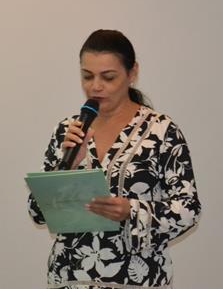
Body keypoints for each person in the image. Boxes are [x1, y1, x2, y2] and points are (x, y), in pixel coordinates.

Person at [28, 29, 201, 288]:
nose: (95, 86)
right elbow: (37, 213)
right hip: (72, 279)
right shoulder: (67, 130)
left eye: (108, 77)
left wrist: (132, 211)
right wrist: (68, 164)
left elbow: (189, 210)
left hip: (137, 280)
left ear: (132, 73)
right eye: (87, 76)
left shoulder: (161, 131)